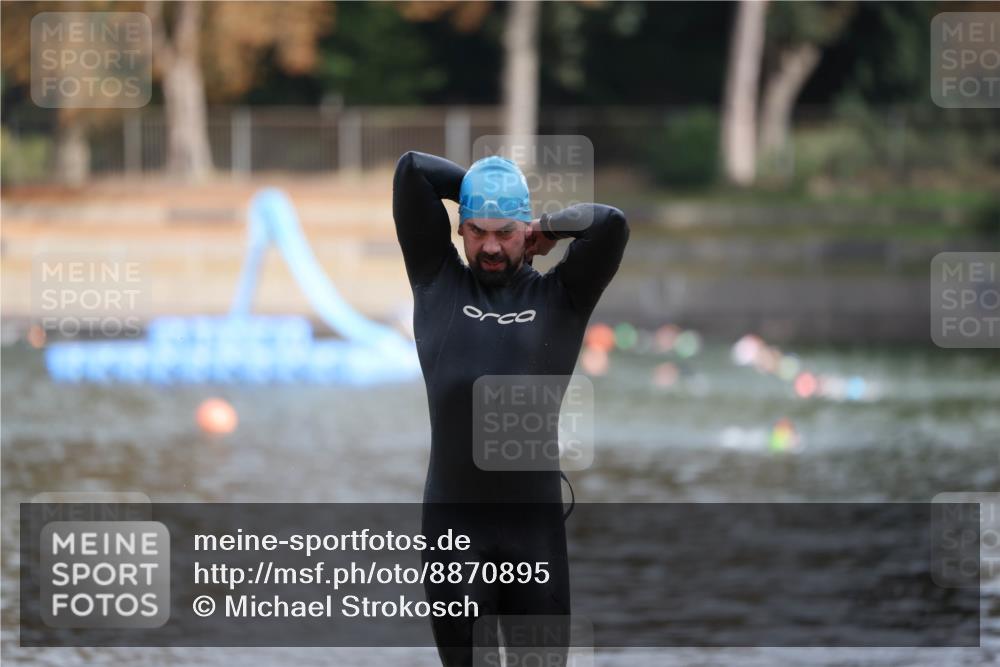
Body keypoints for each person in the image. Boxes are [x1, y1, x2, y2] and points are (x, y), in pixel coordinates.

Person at [392, 150, 629, 666]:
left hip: (534, 534)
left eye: (505, 231)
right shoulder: (437, 282)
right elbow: (412, 170)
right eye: (477, 231)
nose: (491, 246)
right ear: (459, 230)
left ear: (526, 230)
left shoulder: (562, 297)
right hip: (454, 533)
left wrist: (547, 224)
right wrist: (479, 184)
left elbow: (611, 224)